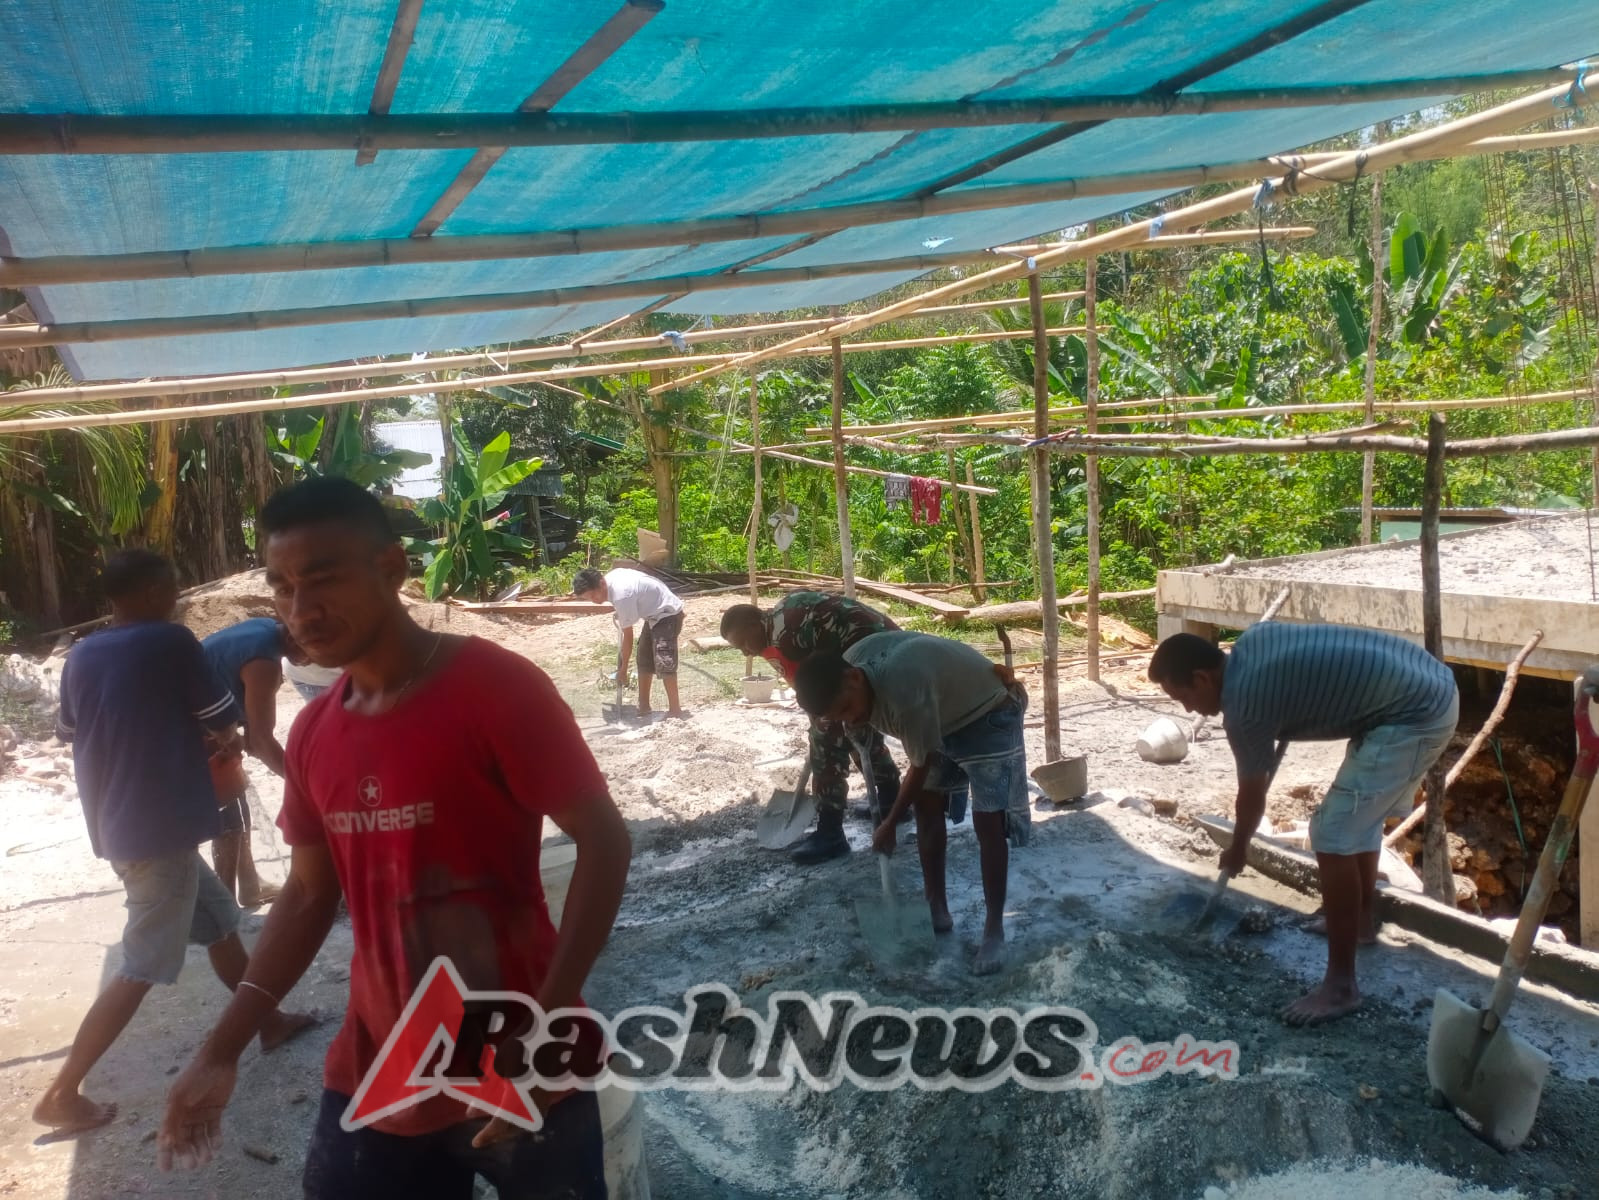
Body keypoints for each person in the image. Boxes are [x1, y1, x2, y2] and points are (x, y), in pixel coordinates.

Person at [159, 477, 632, 1198]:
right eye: (282, 587)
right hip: (380, 1062)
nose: (300, 610)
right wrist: (220, 1049)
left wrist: (548, 1021)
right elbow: (310, 894)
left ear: (391, 569)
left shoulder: (495, 688)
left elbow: (603, 841)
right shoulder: (316, 731)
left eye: (322, 579)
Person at [33, 550, 314, 1137]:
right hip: (160, 825)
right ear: (156, 590)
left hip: (118, 824)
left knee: (217, 922)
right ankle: (63, 1090)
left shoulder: (81, 654)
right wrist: (211, 741)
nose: (177, 596)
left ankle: (269, 1021)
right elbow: (220, 718)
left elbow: (68, 731)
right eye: (172, 587)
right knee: (142, 963)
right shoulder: (171, 641)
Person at [1148, 624, 1458, 1027]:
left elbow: (1252, 795)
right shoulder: (1253, 643)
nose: (1189, 710)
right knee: (1355, 821)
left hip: (1415, 713)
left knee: (1331, 833)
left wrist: (1239, 846)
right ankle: (1360, 922)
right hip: (1427, 682)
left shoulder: (1244, 706)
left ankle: (1341, 986)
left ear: (1203, 677)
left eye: (1184, 696)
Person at [794, 631, 1028, 976]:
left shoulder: (905, 690)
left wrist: (889, 823)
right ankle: (937, 906)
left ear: (855, 678)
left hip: (988, 711)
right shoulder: (852, 668)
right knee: (926, 808)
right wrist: (851, 722)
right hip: (942, 714)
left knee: (987, 820)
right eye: (839, 716)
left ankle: (994, 929)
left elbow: (921, 764)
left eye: (847, 709)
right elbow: (871, 724)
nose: (848, 718)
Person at [721, 593, 905, 864]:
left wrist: (821, 718)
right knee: (857, 728)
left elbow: (819, 687)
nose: (746, 652)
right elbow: (808, 681)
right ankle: (892, 801)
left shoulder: (786, 634)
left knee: (828, 737)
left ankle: (830, 834)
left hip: (877, 657)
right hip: (888, 650)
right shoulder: (779, 619)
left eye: (744, 644)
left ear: (753, 623)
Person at [201, 617, 309, 906]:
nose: (317, 658)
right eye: (315, 647)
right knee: (229, 813)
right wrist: (305, 786)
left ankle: (250, 886)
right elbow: (261, 743)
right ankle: (223, 908)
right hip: (185, 728)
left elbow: (252, 731)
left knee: (236, 800)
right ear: (292, 639)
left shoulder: (264, 628)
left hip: (199, 721)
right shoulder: (265, 664)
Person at [573, 565, 687, 720]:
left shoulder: (621, 595)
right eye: (588, 598)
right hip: (653, 615)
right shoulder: (610, 581)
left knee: (664, 659)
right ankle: (644, 706)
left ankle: (675, 711)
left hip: (668, 614)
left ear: (601, 584)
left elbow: (628, 636)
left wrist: (623, 670)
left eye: (593, 596)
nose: (593, 601)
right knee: (644, 659)